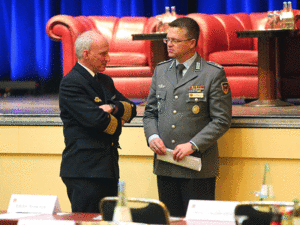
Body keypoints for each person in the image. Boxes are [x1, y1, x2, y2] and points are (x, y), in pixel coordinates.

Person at [143, 17, 232, 217]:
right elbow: (150, 113)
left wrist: (193, 144)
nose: (170, 44)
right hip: (166, 165)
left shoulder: (212, 73)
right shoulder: (161, 70)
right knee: (170, 221)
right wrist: (152, 136)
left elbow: (221, 120)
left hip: (197, 167)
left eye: (176, 40)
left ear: (192, 43)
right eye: (168, 40)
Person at [59, 30, 137, 213]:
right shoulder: (72, 82)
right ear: (86, 54)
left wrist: (112, 108)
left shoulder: (104, 80)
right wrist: (118, 123)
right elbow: (98, 121)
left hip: (107, 169)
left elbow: (132, 109)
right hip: (84, 171)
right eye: (103, 53)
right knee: (87, 222)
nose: (108, 58)